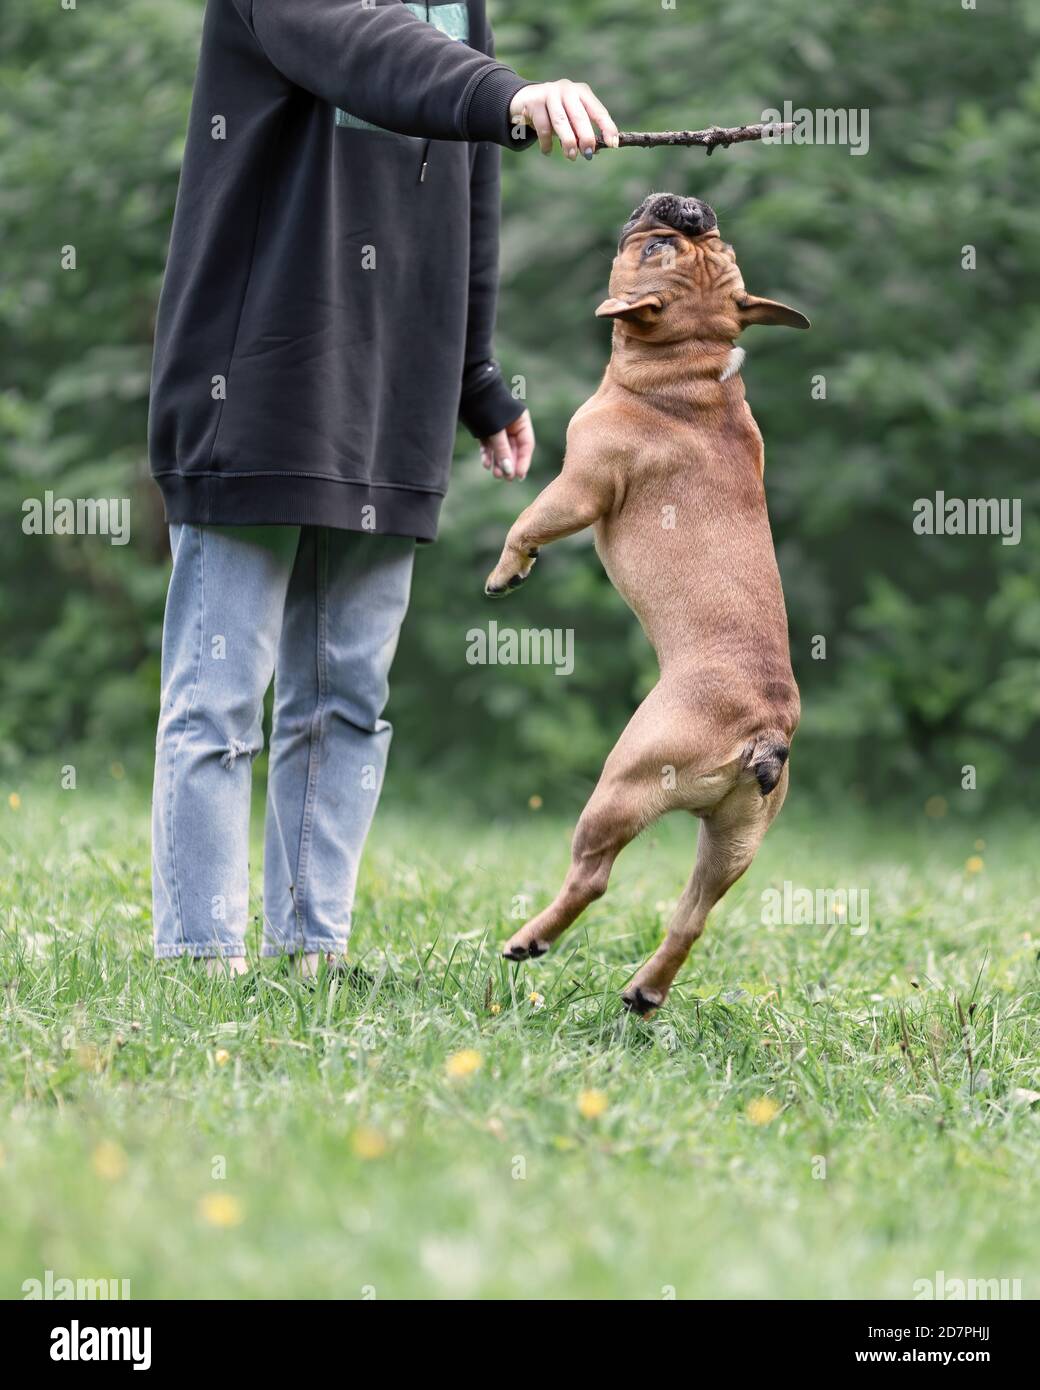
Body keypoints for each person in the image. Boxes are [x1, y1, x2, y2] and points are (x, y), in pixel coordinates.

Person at [148, 0, 618, 976]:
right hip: (257, 375)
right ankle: (197, 963)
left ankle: (307, 957)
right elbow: (364, 50)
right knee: (219, 699)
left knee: (349, 696)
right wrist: (508, 92)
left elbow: (471, 188)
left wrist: (472, 376)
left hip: (393, 386)